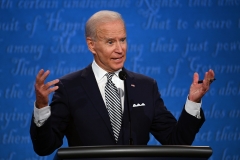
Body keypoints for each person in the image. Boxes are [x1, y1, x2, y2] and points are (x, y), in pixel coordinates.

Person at [30, 10, 215, 156]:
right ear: (91, 45)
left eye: (123, 40)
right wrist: (41, 107)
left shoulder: (145, 87)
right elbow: (45, 147)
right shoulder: (69, 87)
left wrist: (193, 102)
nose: (120, 49)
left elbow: (176, 142)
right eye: (110, 42)